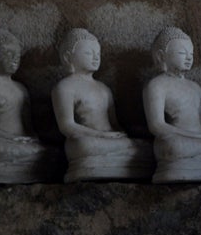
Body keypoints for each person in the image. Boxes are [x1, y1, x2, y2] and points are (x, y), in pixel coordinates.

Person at [51, 28, 153, 182]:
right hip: (87, 141)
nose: (95, 57)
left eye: (98, 54)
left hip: (111, 140)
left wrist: (119, 135)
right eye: (88, 53)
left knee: (145, 147)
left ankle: (119, 159)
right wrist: (102, 135)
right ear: (68, 58)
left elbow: (114, 124)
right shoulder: (64, 87)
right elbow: (66, 126)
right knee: (84, 146)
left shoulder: (103, 88)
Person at [0, 29, 59, 184]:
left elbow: (28, 126)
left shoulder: (20, 89)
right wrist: (11, 138)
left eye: (17, 54)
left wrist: (31, 139)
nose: (15, 58)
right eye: (8, 53)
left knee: (52, 153)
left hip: (22, 143)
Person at [143, 27, 201, 182]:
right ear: (161, 56)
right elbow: (156, 125)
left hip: (199, 138)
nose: (188, 58)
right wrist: (195, 136)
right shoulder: (156, 85)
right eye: (182, 53)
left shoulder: (196, 87)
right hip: (177, 140)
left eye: (191, 54)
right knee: (174, 147)